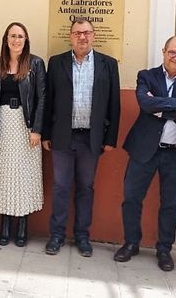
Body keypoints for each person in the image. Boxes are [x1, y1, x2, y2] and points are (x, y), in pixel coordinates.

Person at [114, 36, 176, 271]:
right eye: (173, 52)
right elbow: (145, 104)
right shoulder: (147, 76)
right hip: (144, 150)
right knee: (131, 198)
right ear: (164, 52)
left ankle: (164, 249)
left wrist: (161, 109)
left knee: (170, 204)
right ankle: (131, 243)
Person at [42, 17, 120, 257]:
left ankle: (82, 237)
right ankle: (56, 235)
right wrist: (46, 133)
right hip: (63, 137)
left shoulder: (108, 64)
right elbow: (48, 101)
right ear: (70, 36)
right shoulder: (56, 63)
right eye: (77, 33)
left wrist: (110, 138)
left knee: (86, 187)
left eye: (86, 32)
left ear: (94, 35)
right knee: (61, 186)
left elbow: (114, 104)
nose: (82, 37)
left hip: (91, 138)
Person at [0, 22, 46, 247]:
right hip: (3, 124)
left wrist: (37, 129)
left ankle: (22, 227)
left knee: (24, 177)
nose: (16, 40)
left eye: (20, 36)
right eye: (12, 36)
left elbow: (41, 98)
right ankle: (5, 226)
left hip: (25, 125)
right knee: (4, 176)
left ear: (26, 39)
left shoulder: (36, 63)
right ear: (6, 39)